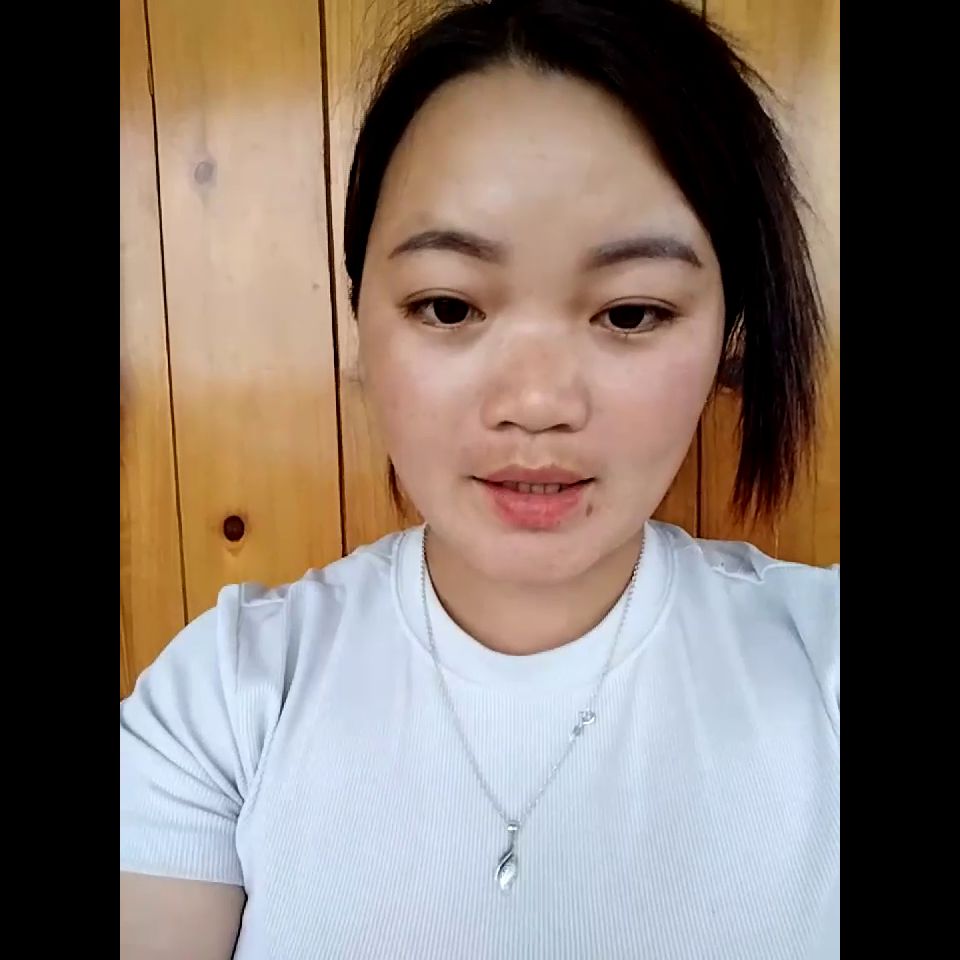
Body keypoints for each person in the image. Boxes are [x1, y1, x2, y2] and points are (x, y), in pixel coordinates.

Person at [119, 0, 839, 957]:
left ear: (728, 336)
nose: (536, 403)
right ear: (361, 322)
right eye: (449, 307)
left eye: (631, 313)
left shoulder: (822, 664)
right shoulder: (225, 698)